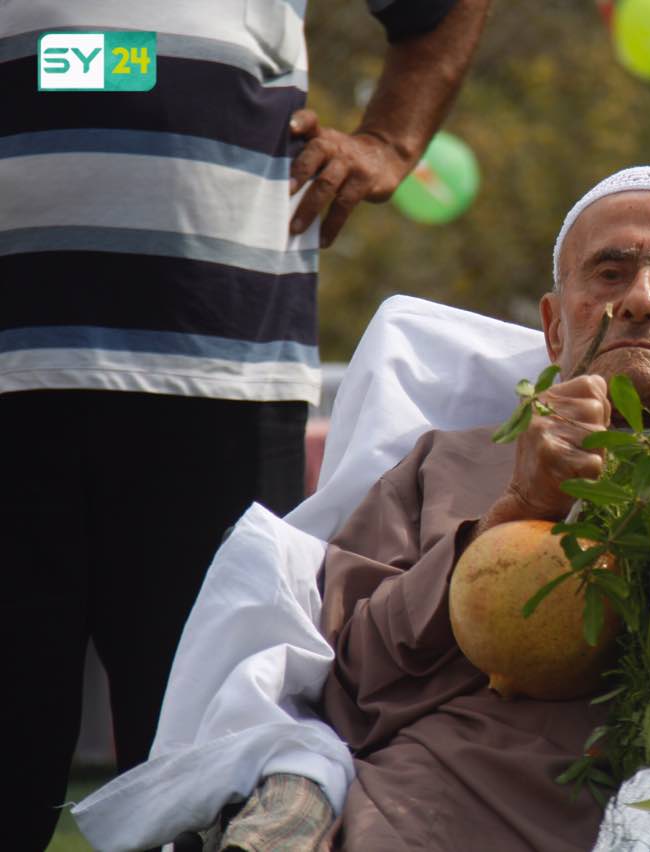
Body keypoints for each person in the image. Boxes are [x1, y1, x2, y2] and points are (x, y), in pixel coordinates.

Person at [216, 166, 650, 849]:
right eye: (610, 275)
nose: (642, 301)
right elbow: (348, 691)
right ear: (555, 328)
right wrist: (514, 512)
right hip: (463, 794)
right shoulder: (449, 465)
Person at [0, 1, 490, 847]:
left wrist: (391, 140)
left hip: (218, 372)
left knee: (206, 779)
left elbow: (114, 57)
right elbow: (82, 56)